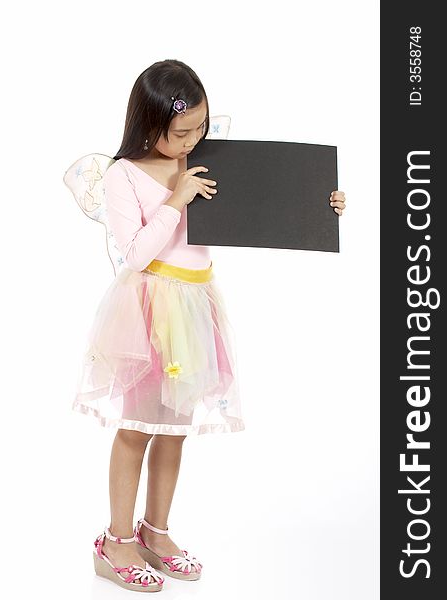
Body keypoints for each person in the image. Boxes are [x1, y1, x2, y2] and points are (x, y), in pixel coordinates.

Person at [75, 59, 347, 593]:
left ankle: (156, 531)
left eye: (200, 127)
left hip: (197, 306)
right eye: (181, 131)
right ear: (147, 124)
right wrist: (176, 200)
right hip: (148, 309)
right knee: (136, 431)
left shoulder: (208, 160)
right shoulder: (122, 174)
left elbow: (266, 204)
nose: (192, 139)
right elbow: (134, 255)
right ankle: (116, 540)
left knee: (175, 431)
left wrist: (321, 205)